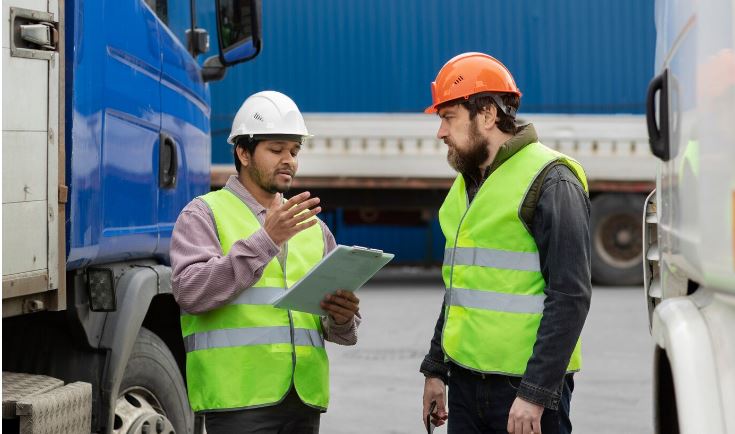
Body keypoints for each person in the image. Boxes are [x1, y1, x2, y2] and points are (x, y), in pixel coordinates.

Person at [419, 52, 592, 434]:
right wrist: (436, 369)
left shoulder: (552, 179)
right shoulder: (467, 185)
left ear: (486, 114)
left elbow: (570, 296)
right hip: (464, 385)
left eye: (448, 117)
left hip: (522, 394)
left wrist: (535, 393)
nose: (441, 132)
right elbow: (460, 287)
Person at [171, 90, 361, 434]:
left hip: (302, 401)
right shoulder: (203, 213)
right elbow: (190, 292)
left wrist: (342, 317)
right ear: (243, 152)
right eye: (276, 150)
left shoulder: (313, 228)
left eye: (294, 151)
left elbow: (341, 332)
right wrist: (266, 241)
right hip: (236, 401)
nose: (288, 159)